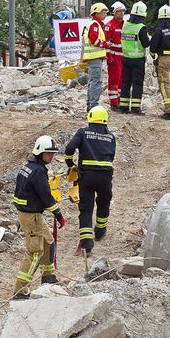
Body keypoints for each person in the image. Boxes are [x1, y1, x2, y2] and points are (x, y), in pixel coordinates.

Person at [12, 135, 66, 299]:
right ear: (40, 152)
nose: (51, 156)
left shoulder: (28, 167)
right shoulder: (38, 172)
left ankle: (48, 277)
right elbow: (46, 197)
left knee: (48, 242)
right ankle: (20, 291)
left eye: (53, 153)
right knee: (35, 252)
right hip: (32, 216)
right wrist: (58, 214)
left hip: (28, 214)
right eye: (48, 153)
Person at [64, 106, 116, 255]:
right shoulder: (111, 137)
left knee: (86, 208)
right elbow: (111, 156)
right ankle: (100, 231)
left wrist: (70, 163)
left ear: (90, 118)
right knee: (104, 203)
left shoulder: (83, 132)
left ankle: (87, 243)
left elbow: (69, 149)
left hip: (86, 176)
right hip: (105, 176)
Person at [119, 2, 151, 115]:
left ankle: (123, 107)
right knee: (137, 84)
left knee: (125, 83)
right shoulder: (141, 27)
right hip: (138, 60)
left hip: (126, 58)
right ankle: (135, 108)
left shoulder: (125, 25)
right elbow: (146, 43)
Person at [82, 3, 110, 111]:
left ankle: (90, 105)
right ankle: (93, 106)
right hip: (95, 58)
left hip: (93, 58)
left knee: (92, 82)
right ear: (96, 12)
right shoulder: (95, 25)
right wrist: (106, 44)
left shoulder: (95, 24)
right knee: (96, 82)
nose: (105, 14)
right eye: (103, 12)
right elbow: (94, 40)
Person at [105, 2, 126, 109]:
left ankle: (120, 100)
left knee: (122, 79)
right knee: (114, 79)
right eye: (119, 11)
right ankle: (114, 103)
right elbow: (106, 43)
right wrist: (109, 56)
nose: (122, 13)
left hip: (124, 56)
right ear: (114, 12)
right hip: (114, 55)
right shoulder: (109, 26)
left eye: (123, 11)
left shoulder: (125, 25)